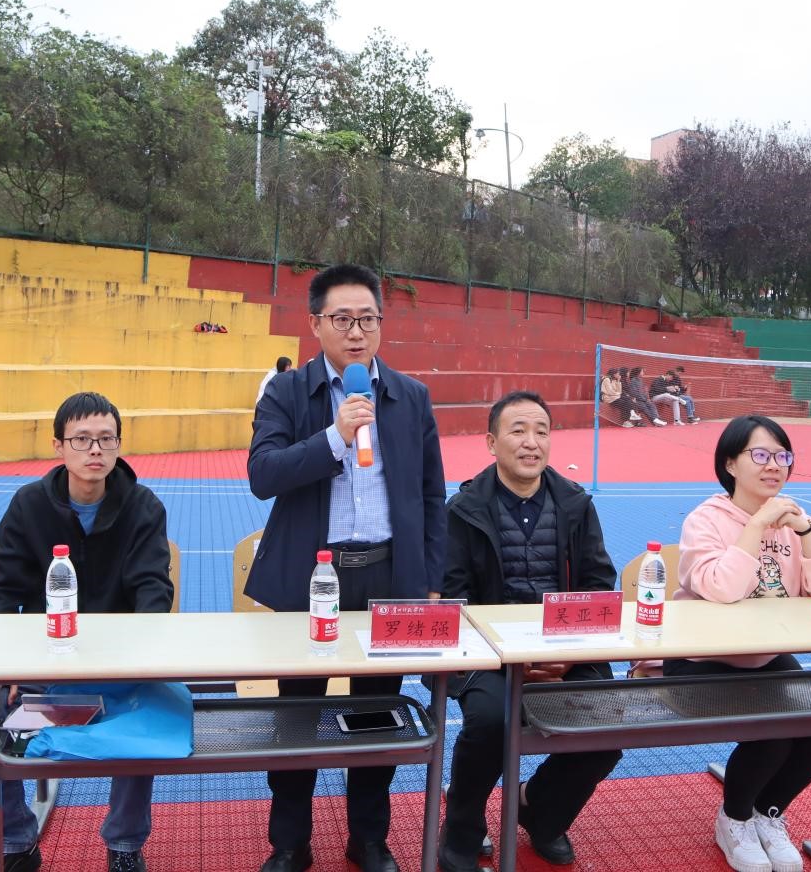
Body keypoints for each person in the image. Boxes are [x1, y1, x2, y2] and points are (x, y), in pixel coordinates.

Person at [247, 263, 447, 872]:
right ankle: (290, 842)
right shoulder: (286, 393)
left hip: (387, 575)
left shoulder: (410, 397)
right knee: (297, 714)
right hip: (312, 578)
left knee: (377, 714)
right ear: (316, 324)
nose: (356, 331)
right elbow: (263, 475)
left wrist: (429, 581)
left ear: (381, 323)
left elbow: (431, 495)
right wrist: (335, 436)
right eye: (342, 319)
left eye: (367, 319)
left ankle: (369, 838)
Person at [0, 392, 174, 872]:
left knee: (147, 715)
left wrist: (141, 662)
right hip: (43, 676)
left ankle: (125, 843)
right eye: (81, 439)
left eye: (106, 439)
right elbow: (0, 591)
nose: (95, 449)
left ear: (118, 445)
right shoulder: (29, 506)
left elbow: (153, 589)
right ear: (58, 446)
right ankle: (15, 843)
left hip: (117, 673)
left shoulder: (143, 506)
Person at [439, 392, 621, 872]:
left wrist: (566, 655)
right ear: (491, 442)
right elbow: (454, 597)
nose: (531, 442)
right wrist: (509, 655)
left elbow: (598, 584)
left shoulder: (576, 504)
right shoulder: (463, 510)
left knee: (609, 726)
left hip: (565, 649)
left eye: (541, 431)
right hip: (488, 655)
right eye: (518, 430)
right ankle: (462, 825)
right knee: (489, 721)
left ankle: (540, 809)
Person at [670, 415, 811, 872]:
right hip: (700, 659)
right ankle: (735, 818)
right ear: (730, 464)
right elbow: (723, 588)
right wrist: (757, 524)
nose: (774, 466)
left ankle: (767, 812)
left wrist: (806, 532)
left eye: (783, 456)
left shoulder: (792, 521)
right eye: (760, 455)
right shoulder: (705, 521)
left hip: (764, 656)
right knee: (775, 726)